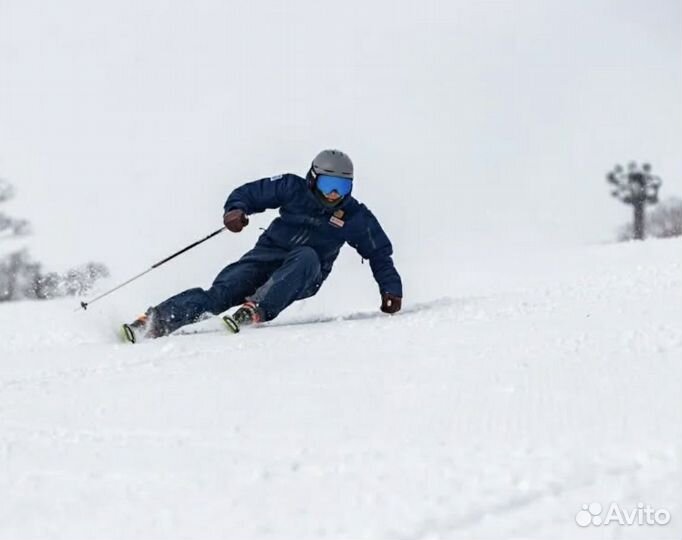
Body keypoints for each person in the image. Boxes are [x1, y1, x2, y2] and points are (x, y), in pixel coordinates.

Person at [123, 149, 403, 341]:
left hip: (304, 273)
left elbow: (379, 253)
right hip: (266, 256)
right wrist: (236, 211)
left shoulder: (355, 215)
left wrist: (391, 288)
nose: (333, 194)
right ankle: (154, 321)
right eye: (329, 184)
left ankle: (255, 308)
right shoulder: (292, 187)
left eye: (341, 188)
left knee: (307, 255)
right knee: (220, 294)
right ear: (313, 178)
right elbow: (248, 194)